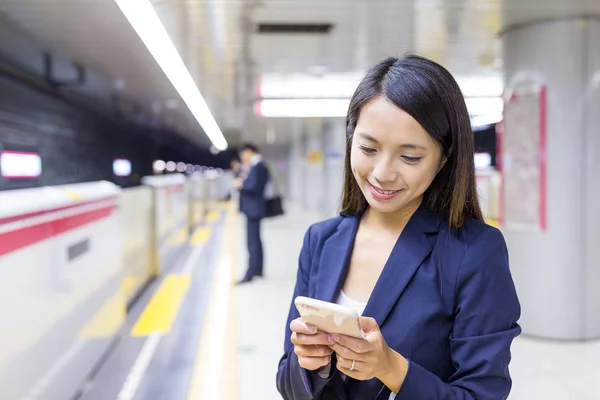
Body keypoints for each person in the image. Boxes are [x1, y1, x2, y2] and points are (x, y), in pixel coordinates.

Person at [276, 55, 521, 400]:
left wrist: (392, 368)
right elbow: (288, 380)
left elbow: (482, 393)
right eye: (368, 148)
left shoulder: (474, 252)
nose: (382, 173)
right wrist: (311, 363)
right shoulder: (321, 240)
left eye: (409, 157)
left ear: (446, 156)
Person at [235, 143, 270, 284]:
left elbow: (253, 186)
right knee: (256, 240)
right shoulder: (258, 165)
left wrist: (240, 185)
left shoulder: (258, 166)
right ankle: (258, 269)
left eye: (243, 154)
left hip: (253, 209)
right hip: (255, 209)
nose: (243, 157)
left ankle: (250, 273)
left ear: (249, 152)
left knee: (252, 242)